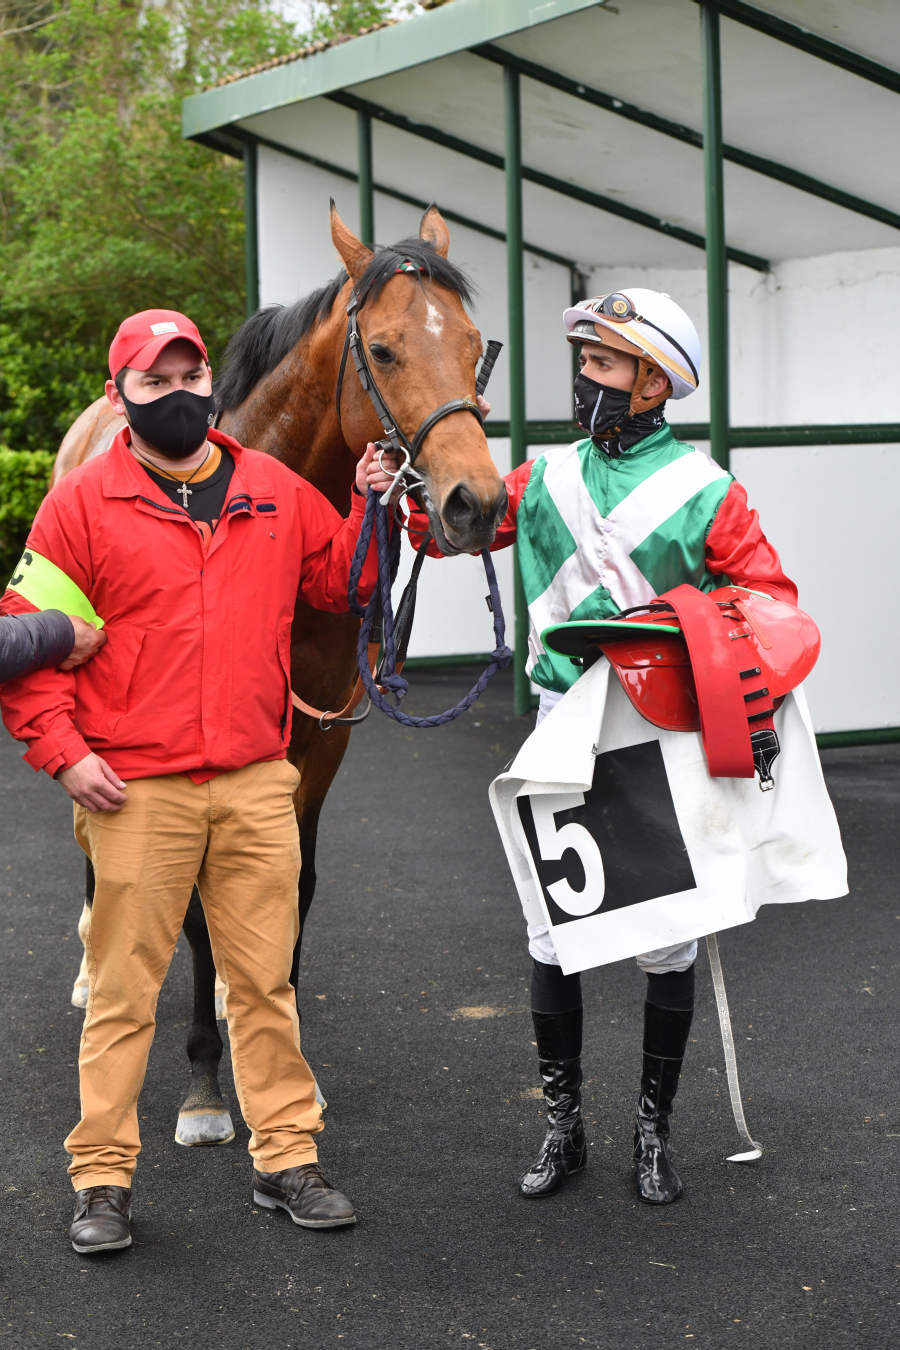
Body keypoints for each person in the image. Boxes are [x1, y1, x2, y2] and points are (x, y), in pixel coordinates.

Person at [0, 308, 396, 1254]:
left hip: (258, 781)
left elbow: (341, 586)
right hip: (137, 791)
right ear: (118, 396)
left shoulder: (272, 488)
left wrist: (373, 509)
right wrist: (66, 753)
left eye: (190, 377)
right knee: (122, 996)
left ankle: (286, 1159)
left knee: (265, 988)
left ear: (210, 381)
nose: (178, 395)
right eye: (154, 381)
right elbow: (22, 651)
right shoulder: (82, 505)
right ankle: (101, 1181)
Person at [406, 288, 798, 1206]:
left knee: (665, 944)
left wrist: (698, 636)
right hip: (560, 729)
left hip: (662, 741)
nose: (584, 380)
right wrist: (394, 488)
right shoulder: (543, 476)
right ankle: (564, 1127)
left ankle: (653, 1135)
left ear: (653, 381)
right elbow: (452, 531)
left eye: (603, 366)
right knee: (553, 937)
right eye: (583, 362)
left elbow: (770, 602)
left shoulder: (710, 492)